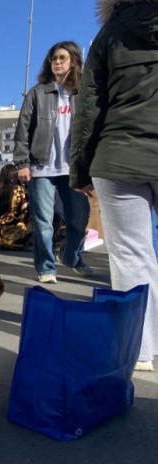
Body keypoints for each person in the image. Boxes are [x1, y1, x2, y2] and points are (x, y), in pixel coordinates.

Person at [69, 0, 158, 371]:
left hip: (118, 154)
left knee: (129, 254)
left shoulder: (110, 33)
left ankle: (138, 349)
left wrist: (80, 170)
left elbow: (89, 107)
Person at [13, 40, 91, 284]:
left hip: (74, 168)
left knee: (79, 219)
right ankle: (46, 267)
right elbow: (23, 129)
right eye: (53, 58)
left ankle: (70, 255)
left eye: (62, 58)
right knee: (44, 221)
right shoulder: (38, 92)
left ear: (74, 61)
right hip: (41, 167)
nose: (57, 62)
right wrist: (22, 162)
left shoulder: (84, 93)